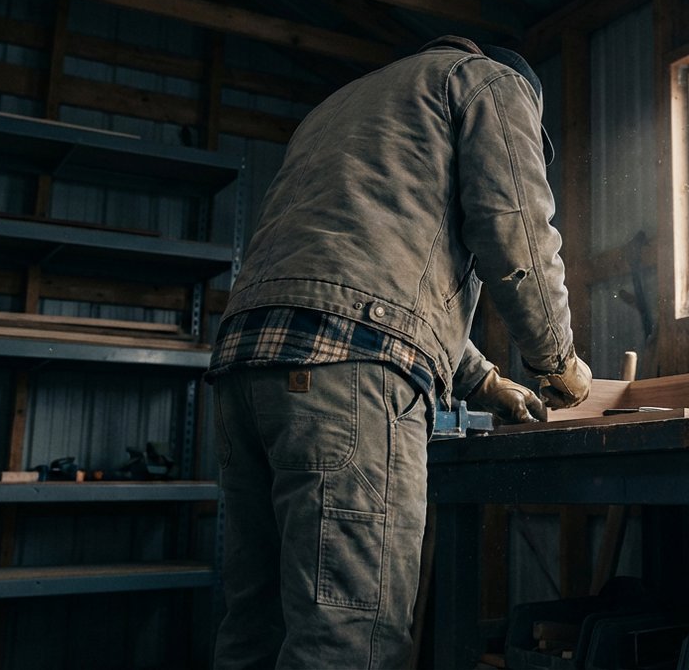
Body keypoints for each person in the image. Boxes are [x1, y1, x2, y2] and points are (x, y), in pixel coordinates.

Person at [208, 35, 592, 669]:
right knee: (348, 636)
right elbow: (516, 230)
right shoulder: (490, 83)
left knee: (257, 625)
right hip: (346, 374)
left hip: (247, 366)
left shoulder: (343, 106)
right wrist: (558, 360)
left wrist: (486, 382)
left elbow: (364, 278)